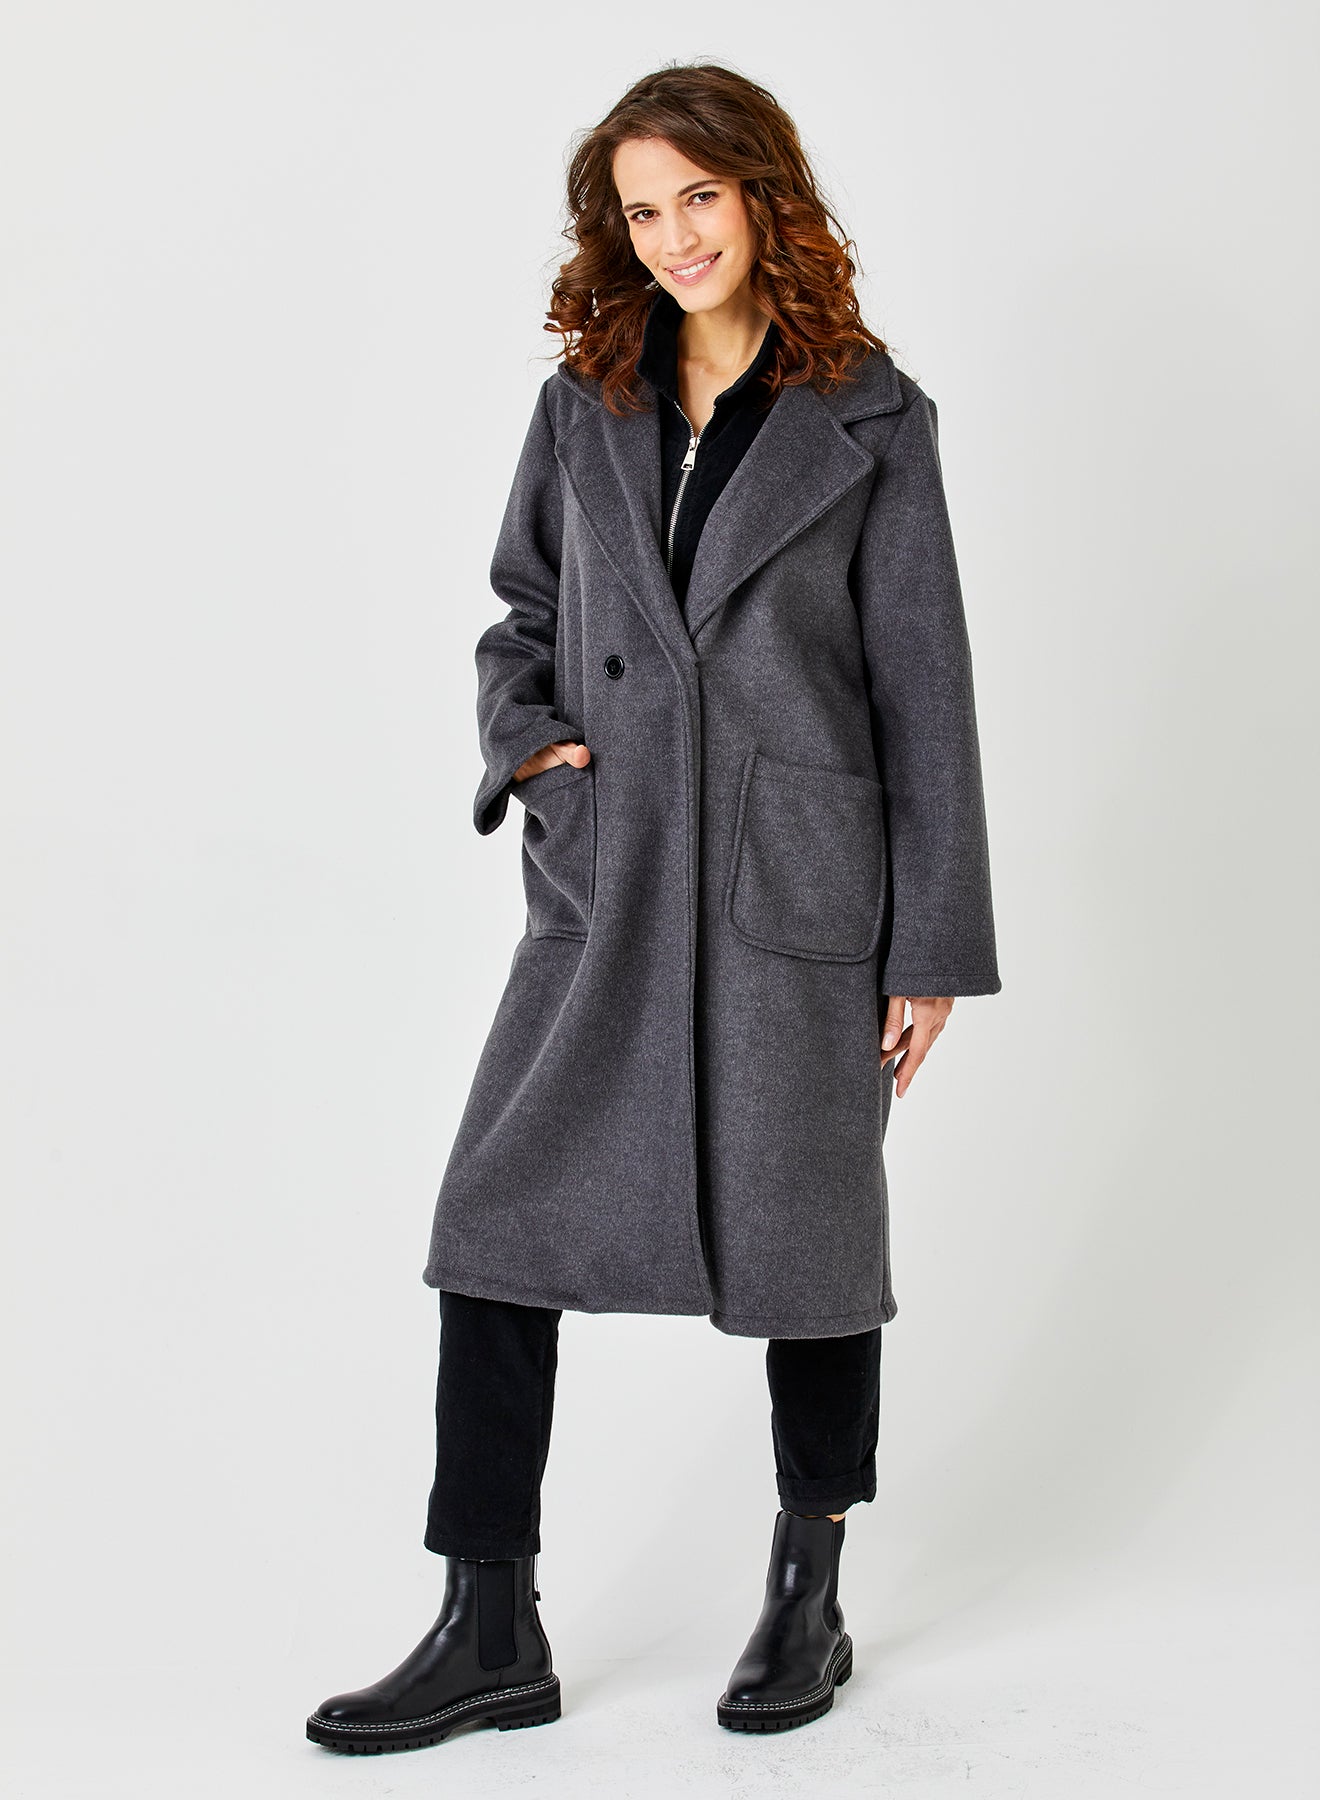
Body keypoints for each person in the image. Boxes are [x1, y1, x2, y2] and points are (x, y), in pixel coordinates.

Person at [307, 59, 1001, 1755]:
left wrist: (929, 948)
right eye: (642, 209)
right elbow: (521, 616)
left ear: (763, 197)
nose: (677, 235)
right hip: (609, 878)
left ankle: (808, 1593)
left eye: (701, 196)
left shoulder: (873, 419)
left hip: (795, 888)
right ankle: (489, 1624)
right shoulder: (585, 405)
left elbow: (924, 693)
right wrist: (536, 753)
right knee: (494, 1225)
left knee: (813, 1247)